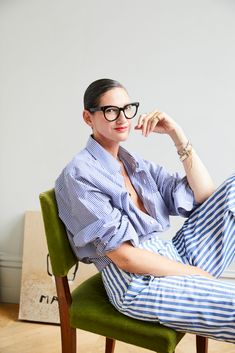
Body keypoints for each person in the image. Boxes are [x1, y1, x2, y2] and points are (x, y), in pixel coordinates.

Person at [55, 78, 235, 343]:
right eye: (110, 110)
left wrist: (177, 135)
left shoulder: (132, 162)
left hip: (172, 256)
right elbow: (126, 259)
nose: (122, 118)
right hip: (137, 281)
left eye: (127, 108)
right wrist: (199, 275)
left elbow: (206, 197)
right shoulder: (80, 175)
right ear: (88, 117)